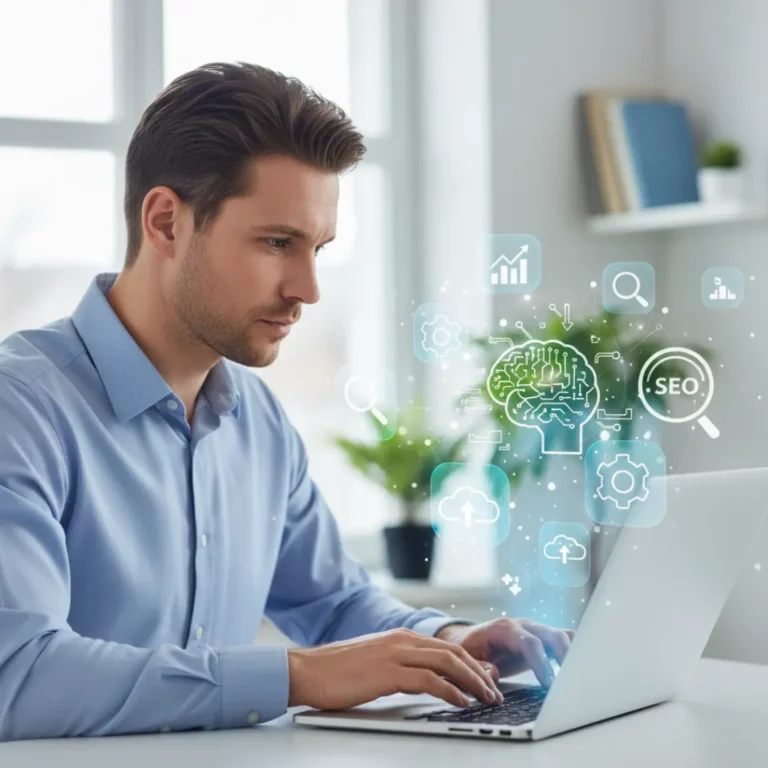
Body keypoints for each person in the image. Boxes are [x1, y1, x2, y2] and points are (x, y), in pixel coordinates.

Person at [0, 62, 572, 741]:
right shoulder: (21, 411)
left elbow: (331, 604)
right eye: (277, 243)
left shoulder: (258, 420)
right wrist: (295, 676)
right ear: (165, 222)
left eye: (319, 250)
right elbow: (19, 677)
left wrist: (449, 640)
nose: (307, 288)